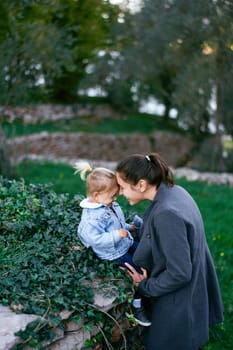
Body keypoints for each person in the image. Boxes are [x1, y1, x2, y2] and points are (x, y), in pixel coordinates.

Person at [115, 153, 224, 350]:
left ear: (140, 185)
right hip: (192, 292)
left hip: (178, 304)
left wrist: (144, 286)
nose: (120, 193)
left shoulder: (166, 214)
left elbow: (180, 272)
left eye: (122, 188)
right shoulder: (175, 191)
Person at [74, 161, 151, 327]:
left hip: (124, 242)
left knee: (145, 254)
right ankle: (138, 304)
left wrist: (126, 227)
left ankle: (154, 285)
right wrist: (116, 235)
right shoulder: (92, 219)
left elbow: (115, 223)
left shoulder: (107, 203)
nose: (116, 198)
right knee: (135, 269)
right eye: (112, 196)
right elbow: (95, 239)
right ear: (96, 196)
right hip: (113, 253)